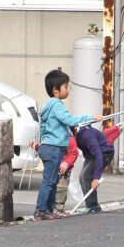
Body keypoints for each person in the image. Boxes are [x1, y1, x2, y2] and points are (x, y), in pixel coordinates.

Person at [35, 70, 101, 220]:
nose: (68, 90)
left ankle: (49, 210)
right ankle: (40, 210)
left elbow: (43, 129)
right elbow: (70, 120)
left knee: (53, 181)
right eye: (65, 87)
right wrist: (91, 118)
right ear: (55, 90)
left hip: (47, 147)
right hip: (54, 148)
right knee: (50, 181)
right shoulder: (57, 105)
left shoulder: (48, 107)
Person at [71, 125, 115, 213]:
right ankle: (90, 205)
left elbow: (98, 155)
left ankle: (93, 206)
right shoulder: (76, 134)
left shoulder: (87, 136)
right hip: (91, 155)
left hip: (104, 153)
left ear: (75, 131)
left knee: (86, 176)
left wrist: (96, 178)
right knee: (81, 177)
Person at [54, 135, 78, 214]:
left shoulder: (69, 139)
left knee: (61, 188)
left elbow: (74, 153)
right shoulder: (51, 136)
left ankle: (59, 208)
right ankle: (51, 207)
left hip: (64, 169)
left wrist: (66, 164)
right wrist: (37, 146)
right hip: (53, 167)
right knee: (51, 187)